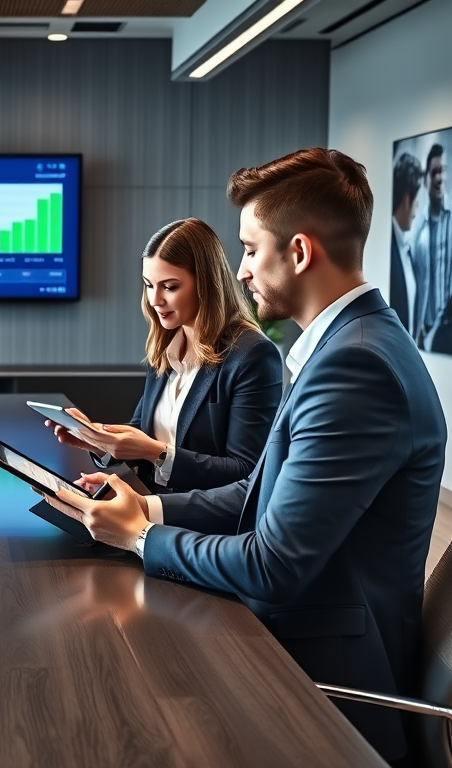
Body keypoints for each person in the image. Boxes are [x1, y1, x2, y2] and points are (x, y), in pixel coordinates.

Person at [47, 148, 446, 764]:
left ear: (301, 253)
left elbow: (272, 566)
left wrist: (139, 542)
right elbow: (253, 496)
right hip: (296, 631)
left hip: (318, 675)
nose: (241, 271)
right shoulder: (344, 346)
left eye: (251, 249)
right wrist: (145, 511)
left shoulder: (355, 365)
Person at [47, 218, 282, 493]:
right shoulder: (165, 346)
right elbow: (142, 432)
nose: (154, 300)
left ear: (206, 284)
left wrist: (157, 453)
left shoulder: (252, 355)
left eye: (169, 287)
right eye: (148, 284)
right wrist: (98, 439)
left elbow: (246, 473)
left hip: (202, 529)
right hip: (151, 510)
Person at [415, 144, 452, 352]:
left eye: (443, 171)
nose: (439, 178)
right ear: (426, 178)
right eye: (435, 171)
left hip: (447, 326)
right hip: (424, 327)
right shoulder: (419, 225)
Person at [389, 151, 424, 339]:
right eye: (418, 200)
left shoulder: (407, 248)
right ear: (408, 200)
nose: (418, 209)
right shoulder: (390, 252)